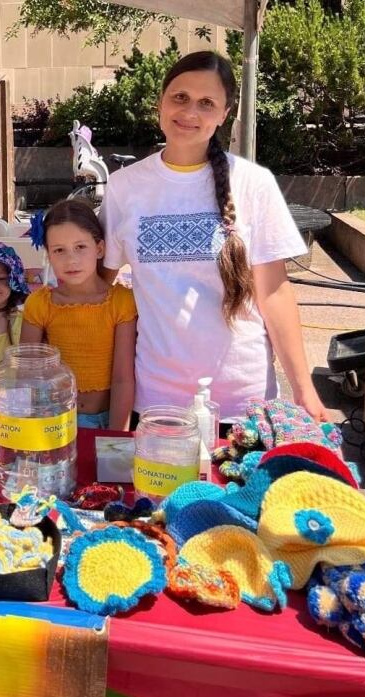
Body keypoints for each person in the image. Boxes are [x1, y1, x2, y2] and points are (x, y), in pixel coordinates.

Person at [101, 51, 328, 423]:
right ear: (160, 102)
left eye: (206, 103)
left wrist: (304, 390)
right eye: (180, 97)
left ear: (224, 114)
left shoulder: (253, 183)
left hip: (243, 403)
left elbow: (274, 293)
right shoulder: (124, 187)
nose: (190, 112)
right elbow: (101, 289)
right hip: (157, 400)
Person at [20, 200, 137, 431]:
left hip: (106, 423)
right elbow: (28, 375)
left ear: (100, 248)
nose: (71, 260)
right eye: (59, 250)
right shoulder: (40, 304)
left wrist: (115, 438)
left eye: (80, 247)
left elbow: (123, 379)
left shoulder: (121, 302)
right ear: (48, 255)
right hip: (53, 422)